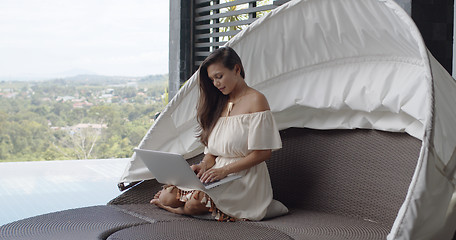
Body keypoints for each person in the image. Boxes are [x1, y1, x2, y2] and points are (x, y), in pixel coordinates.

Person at [150, 46, 282, 221]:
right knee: (168, 197)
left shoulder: (256, 100)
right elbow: (212, 153)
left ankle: (178, 211)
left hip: (244, 178)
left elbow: (263, 153)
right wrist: (204, 165)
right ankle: (176, 205)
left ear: (237, 69)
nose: (216, 83)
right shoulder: (219, 102)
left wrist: (224, 171)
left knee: (193, 204)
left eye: (219, 77)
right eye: (212, 79)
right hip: (216, 174)